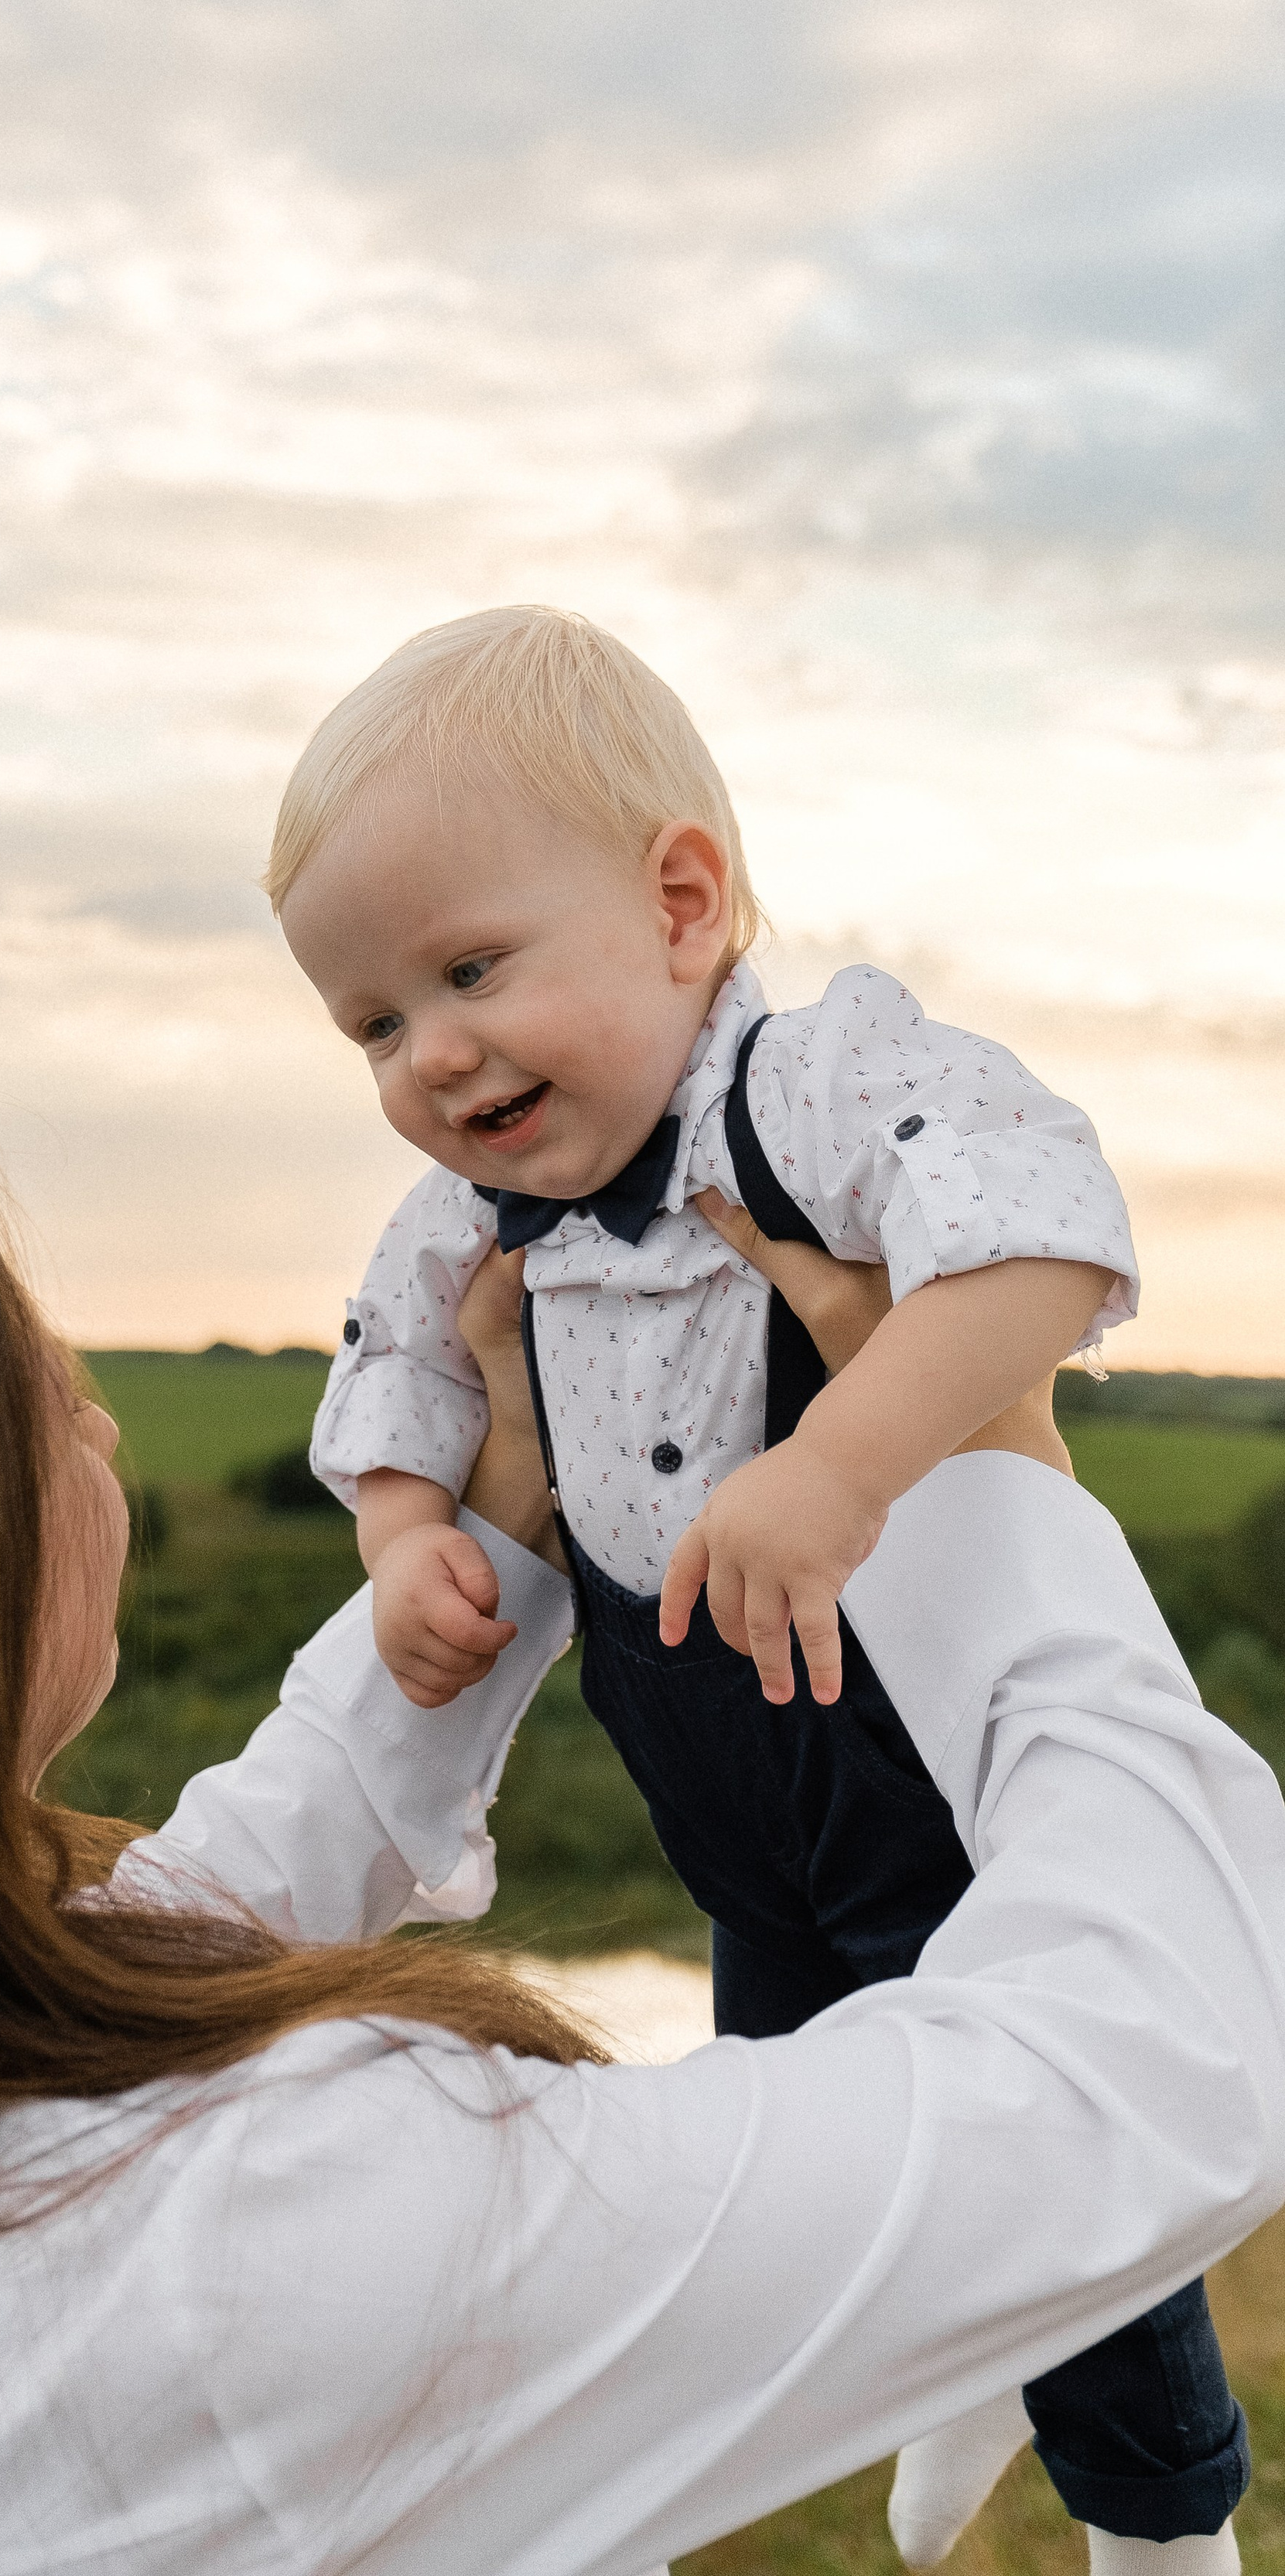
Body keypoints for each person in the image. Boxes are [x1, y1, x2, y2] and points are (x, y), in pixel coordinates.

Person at [0, 1126, 1280, 2576]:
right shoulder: (253, 2248)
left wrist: (492, 1529)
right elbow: (1132, 2085)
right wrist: (978, 1475)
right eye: (46, 1401)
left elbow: (165, 1932)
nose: (93, 1437)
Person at [271, 603, 1247, 2565]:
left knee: (1046, 2135)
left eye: (467, 971)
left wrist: (838, 1459)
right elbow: (395, 1367)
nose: (428, 1054)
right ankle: (948, 2369)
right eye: (372, 1021)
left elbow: (1044, 1236)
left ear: (683, 901)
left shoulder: (806, 1088)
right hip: (711, 1767)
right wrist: (402, 1541)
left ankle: (1164, 2523)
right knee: (811, 2139)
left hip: (905, 1736)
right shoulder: (472, 1208)